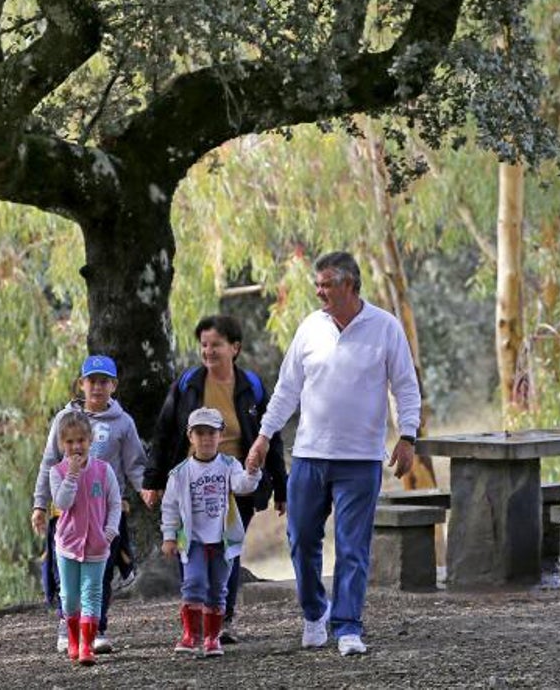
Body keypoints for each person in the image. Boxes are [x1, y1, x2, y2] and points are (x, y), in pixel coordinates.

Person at [246, 251, 419, 657]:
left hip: (360, 459)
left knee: (352, 546)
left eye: (326, 284)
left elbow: (405, 387)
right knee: (301, 537)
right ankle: (314, 613)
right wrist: (264, 435)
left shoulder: (385, 327)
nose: (319, 291)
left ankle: (348, 626)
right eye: (317, 284)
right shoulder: (310, 328)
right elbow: (286, 389)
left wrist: (408, 436)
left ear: (350, 285)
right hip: (309, 456)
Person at [142, 314, 286, 643]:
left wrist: (281, 485)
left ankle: (222, 620)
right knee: (190, 547)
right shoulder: (188, 384)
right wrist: (154, 479)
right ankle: (194, 616)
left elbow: (271, 437)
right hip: (191, 479)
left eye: (216, 345)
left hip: (237, 482)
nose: (208, 351)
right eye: (204, 345)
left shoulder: (252, 386)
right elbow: (165, 433)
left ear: (234, 348)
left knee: (228, 549)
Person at [30, 355, 146, 654]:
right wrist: (40, 504)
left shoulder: (123, 423)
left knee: (101, 572)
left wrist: (145, 489)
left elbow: (134, 464)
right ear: (81, 384)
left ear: (113, 386)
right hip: (67, 511)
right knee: (65, 571)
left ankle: (97, 628)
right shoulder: (64, 420)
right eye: (91, 381)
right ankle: (65, 625)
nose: (97, 387)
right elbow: (48, 464)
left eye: (103, 381)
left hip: (105, 510)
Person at [160, 407, 264, 657]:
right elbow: (170, 507)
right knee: (193, 583)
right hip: (193, 539)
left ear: (220, 435)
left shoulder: (229, 465)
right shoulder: (180, 473)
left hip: (222, 540)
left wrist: (252, 471)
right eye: (200, 433)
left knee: (218, 588)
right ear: (190, 436)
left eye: (211, 433)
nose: (206, 439)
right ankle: (191, 634)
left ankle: (211, 637)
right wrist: (169, 536)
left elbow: (242, 486)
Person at [48, 410, 122, 666]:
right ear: (62, 444)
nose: (76, 446)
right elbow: (62, 503)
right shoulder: (56, 472)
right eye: (69, 442)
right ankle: (73, 639)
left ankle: (87, 647)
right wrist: (72, 474)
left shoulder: (104, 470)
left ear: (90, 440)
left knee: (92, 593)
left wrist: (110, 532)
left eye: (81, 440)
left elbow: (114, 503)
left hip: (97, 545)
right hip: (67, 545)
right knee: (69, 596)